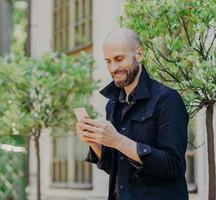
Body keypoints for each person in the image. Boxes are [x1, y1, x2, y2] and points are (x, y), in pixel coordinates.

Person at [76, 28, 189, 200]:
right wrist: (94, 142)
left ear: (139, 54)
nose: (113, 68)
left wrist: (118, 141)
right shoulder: (112, 104)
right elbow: (114, 167)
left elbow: (173, 166)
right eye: (108, 61)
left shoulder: (167, 99)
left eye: (119, 59)